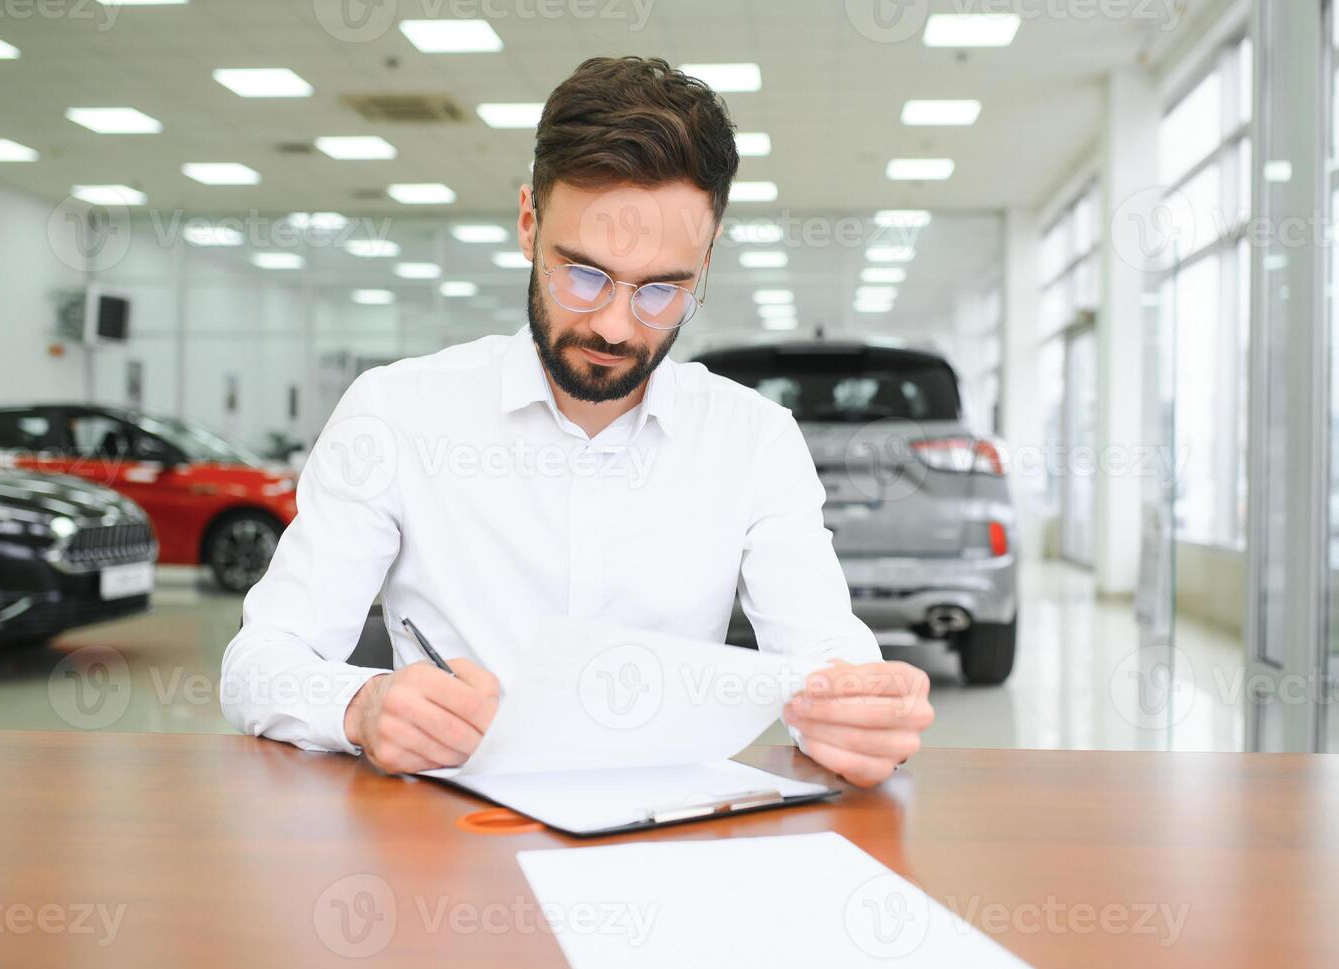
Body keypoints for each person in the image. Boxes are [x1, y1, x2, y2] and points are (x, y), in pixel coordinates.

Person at [221, 56, 934, 789]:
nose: (616, 326)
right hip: (449, 848)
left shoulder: (753, 439)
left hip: (665, 847)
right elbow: (261, 659)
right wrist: (361, 705)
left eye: (662, 289)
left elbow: (824, 647)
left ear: (706, 264)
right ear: (529, 224)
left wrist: (857, 708)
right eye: (583, 274)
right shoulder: (396, 413)